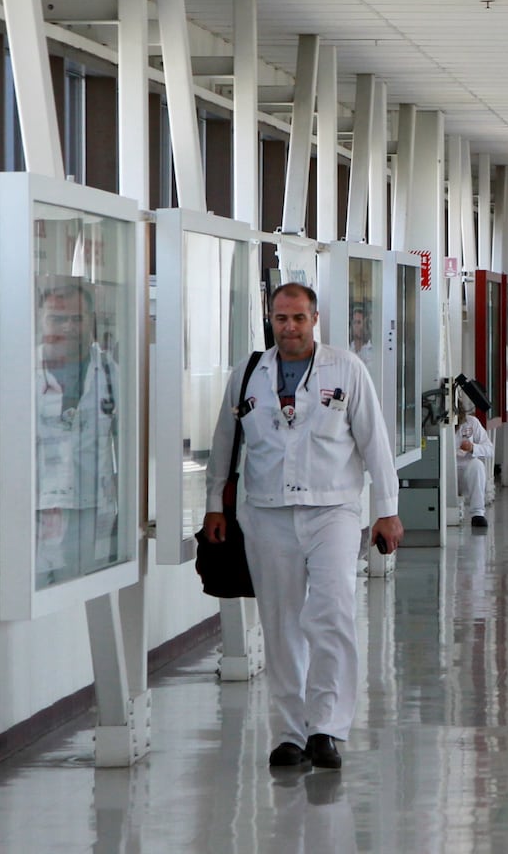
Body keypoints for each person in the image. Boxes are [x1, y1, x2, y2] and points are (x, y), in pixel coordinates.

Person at [203, 283, 403, 772]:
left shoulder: (346, 369)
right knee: (281, 623)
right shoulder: (249, 373)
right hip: (266, 512)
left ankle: (327, 729)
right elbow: (224, 443)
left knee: (333, 616)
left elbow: (376, 442)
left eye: (298, 318)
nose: (289, 327)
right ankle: (291, 732)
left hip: (333, 509)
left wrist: (387, 508)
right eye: (280, 318)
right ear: (269, 320)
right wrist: (214, 505)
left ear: (315, 319)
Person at [35, 281, 122, 588]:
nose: (69, 327)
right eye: (58, 319)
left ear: (91, 321)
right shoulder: (22, 371)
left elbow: (126, 446)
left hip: (90, 507)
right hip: (33, 507)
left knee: (80, 599)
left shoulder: (109, 371)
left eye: (78, 318)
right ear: (41, 319)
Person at [455, 401, 494, 528]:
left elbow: (489, 449)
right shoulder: (436, 425)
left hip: (467, 474)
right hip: (446, 473)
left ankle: (478, 514)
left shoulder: (472, 422)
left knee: (477, 465)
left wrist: (473, 448)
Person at [348, 305, 377, 379]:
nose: (359, 326)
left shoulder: (373, 352)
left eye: (360, 322)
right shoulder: (347, 349)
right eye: (356, 322)